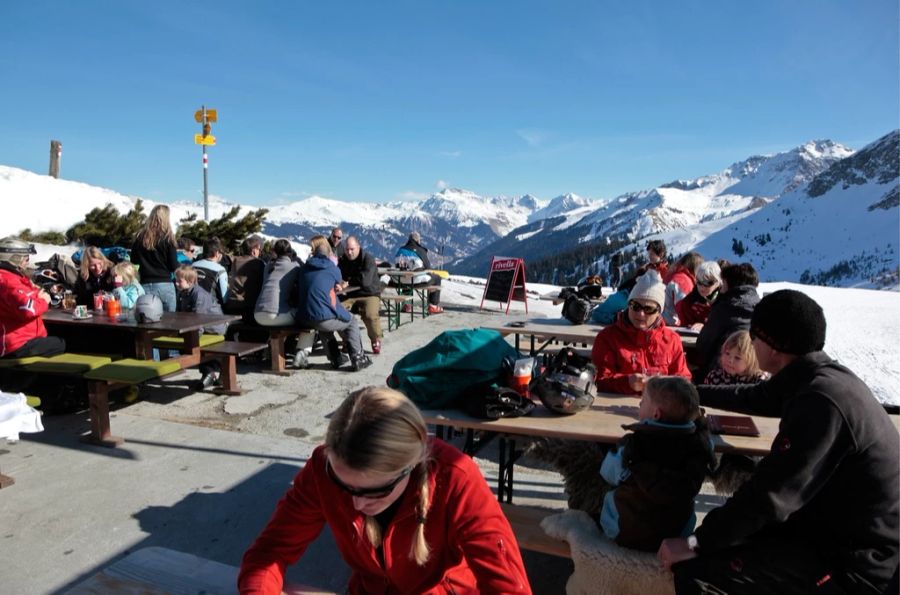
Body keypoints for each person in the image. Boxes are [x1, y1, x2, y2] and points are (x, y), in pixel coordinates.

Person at [659, 290, 899, 594]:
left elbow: (769, 497)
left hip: (856, 564)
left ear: (774, 346)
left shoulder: (820, 402)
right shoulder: (818, 377)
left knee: (697, 574)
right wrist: (689, 392)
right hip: (830, 531)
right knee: (733, 538)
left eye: (755, 337)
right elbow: (755, 398)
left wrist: (695, 542)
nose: (752, 345)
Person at [238, 386, 532, 594]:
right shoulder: (321, 469)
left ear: (412, 465)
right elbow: (269, 553)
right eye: (342, 485)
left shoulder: (456, 477)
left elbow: (508, 585)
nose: (354, 504)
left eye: (374, 492)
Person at [595, 376, 715, 551]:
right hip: (676, 533)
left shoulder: (633, 446)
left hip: (626, 532)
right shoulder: (702, 445)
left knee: (613, 491)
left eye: (643, 401)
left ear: (656, 414)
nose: (639, 405)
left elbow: (608, 473)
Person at [591, 270, 691, 395]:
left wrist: (667, 384)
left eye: (648, 309)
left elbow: (684, 379)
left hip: (661, 408)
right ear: (628, 305)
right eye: (635, 306)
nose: (640, 314)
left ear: (659, 312)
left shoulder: (672, 340)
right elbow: (598, 381)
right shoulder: (608, 337)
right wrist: (627, 382)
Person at [295, 243, 372, 372]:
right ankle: (357, 357)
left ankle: (335, 358)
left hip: (303, 316)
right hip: (319, 315)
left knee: (324, 325)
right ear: (329, 254)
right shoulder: (332, 268)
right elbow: (338, 285)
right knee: (351, 321)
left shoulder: (304, 268)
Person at [693, 262, 760, 382]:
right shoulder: (762, 308)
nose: (721, 289)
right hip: (753, 372)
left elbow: (703, 345)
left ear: (729, 284)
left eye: (723, 284)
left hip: (723, 372)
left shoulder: (725, 307)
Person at [0, 237, 65, 358]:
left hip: (21, 339)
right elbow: (26, 309)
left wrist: (40, 295)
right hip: (15, 344)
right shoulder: (7, 282)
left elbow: (29, 294)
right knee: (63, 343)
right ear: (15, 259)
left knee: (58, 338)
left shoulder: (11, 277)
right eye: (26, 258)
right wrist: (44, 300)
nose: (28, 262)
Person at [174, 265, 227, 390]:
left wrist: (191, 338)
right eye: (175, 280)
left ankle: (212, 372)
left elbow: (199, 319)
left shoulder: (199, 295)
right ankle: (209, 372)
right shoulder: (183, 293)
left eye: (179, 281)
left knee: (199, 347)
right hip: (202, 326)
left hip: (214, 328)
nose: (176, 283)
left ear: (190, 281)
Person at [338, 235, 384, 354]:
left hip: (369, 293)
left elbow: (365, 281)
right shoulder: (343, 260)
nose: (349, 252)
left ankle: (375, 339)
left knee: (370, 314)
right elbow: (338, 275)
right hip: (349, 294)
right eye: (347, 249)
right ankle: (347, 339)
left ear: (358, 247)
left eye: (352, 249)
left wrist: (348, 281)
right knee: (336, 311)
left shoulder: (367, 259)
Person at [131, 205, 180, 312]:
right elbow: (173, 266)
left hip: (144, 285)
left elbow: (133, 262)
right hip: (164, 284)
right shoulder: (168, 238)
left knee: (147, 319)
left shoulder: (139, 238)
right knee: (170, 322)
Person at [395, 232, 443, 314]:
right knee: (437, 278)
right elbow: (428, 267)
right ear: (418, 240)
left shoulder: (400, 250)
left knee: (406, 275)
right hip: (417, 281)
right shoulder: (420, 250)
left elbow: (397, 266)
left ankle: (407, 305)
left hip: (401, 281)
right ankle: (433, 306)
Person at [702, 330, 768, 386]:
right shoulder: (715, 376)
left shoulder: (758, 381)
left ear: (751, 361)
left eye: (737, 358)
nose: (730, 360)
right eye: (727, 353)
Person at [675, 261, 721, 330]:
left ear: (718, 282)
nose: (702, 287)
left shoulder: (725, 301)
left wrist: (706, 326)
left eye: (707, 283)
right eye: (699, 282)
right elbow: (686, 329)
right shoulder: (688, 303)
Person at [662, 252, 703, 326]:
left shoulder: (673, 275)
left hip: (664, 320)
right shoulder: (683, 281)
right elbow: (683, 309)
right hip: (671, 324)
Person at [192, 237, 229, 305]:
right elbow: (224, 297)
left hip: (192, 304)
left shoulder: (192, 265)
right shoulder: (220, 270)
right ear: (217, 253)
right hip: (210, 308)